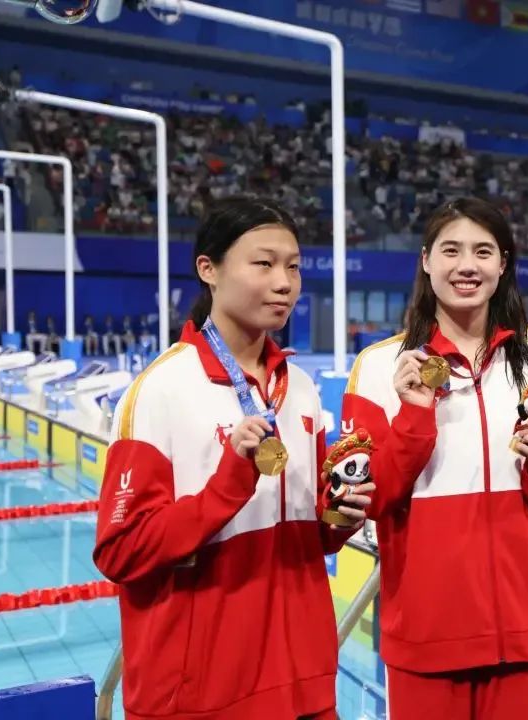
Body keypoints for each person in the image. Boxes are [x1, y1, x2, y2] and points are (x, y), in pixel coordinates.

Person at [93, 197, 373, 720]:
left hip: (304, 683)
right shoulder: (160, 390)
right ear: (209, 269)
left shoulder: (300, 389)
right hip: (202, 696)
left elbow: (312, 537)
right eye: (263, 263)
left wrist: (340, 515)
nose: (284, 283)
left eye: (293, 267)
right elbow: (120, 552)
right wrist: (229, 482)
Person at [342, 197, 528, 719]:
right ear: (426, 260)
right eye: (451, 251)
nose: (467, 265)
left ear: (503, 264)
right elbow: (372, 498)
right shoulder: (379, 368)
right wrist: (414, 415)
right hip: (427, 633)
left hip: (522, 630)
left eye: (483, 252)